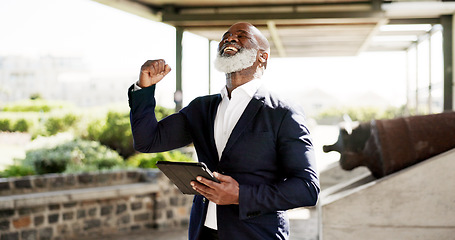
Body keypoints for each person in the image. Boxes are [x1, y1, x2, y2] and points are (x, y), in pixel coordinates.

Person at [128, 22, 319, 240]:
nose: (229, 38)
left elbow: (307, 188)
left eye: (241, 35)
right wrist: (144, 89)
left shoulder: (283, 112)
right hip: (203, 233)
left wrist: (241, 196)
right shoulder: (201, 108)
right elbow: (148, 141)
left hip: (256, 234)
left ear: (262, 57)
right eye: (226, 36)